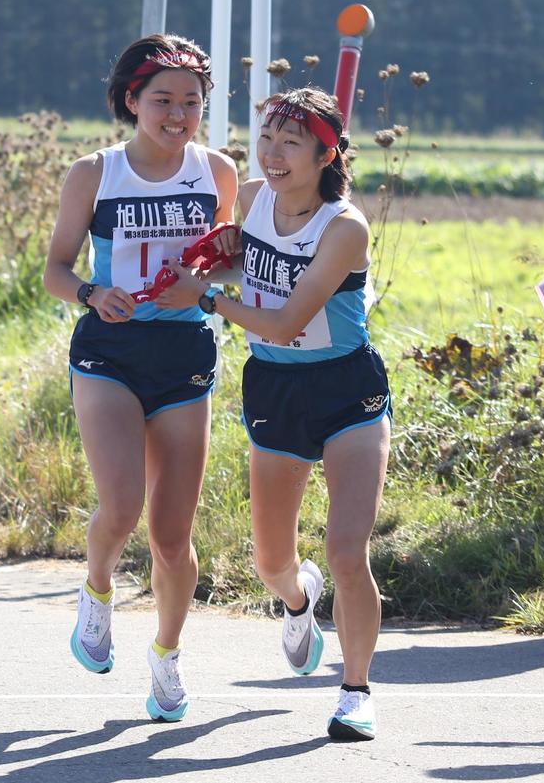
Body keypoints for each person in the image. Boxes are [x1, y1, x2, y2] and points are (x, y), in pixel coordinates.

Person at [166, 88, 389, 741]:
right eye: (268, 137)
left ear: (327, 154)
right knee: (272, 563)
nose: (273, 152)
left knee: (347, 553)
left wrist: (207, 299)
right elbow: (249, 263)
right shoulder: (257, 194)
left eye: (291, 142)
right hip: (275, 390)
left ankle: (355, 691)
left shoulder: (345, 226)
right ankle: (298, 600)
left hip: (347, 391)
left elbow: (291, 319)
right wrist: (218, 260)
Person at [42, 34, 238, 722]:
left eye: (192, 101)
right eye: (163, 100)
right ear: (132, 101)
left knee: (172, 536)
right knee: (120, 507)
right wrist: (93, 292)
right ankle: (96, 591)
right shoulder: (93, 173)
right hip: (109, 351)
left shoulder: (216, 171)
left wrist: (206, 289)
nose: (178, 114)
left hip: (184, 353)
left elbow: (228, 262)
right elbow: (55, 271)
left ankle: (166, 654)